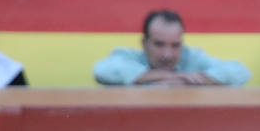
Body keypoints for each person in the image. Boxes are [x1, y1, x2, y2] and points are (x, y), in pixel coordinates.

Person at [93, 10, 249, 88]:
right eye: (159, 44)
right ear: (144, 43)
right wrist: (172, 77)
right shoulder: (128, 56)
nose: (167, 54)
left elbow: (240, 72)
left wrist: (195, 79)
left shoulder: (190, 56)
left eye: (175, 45)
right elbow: (101, 71)